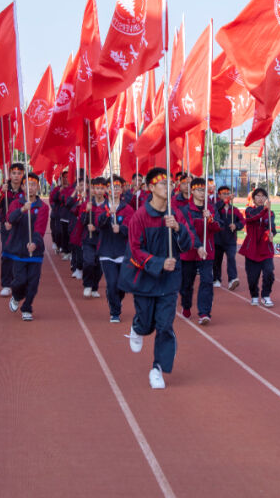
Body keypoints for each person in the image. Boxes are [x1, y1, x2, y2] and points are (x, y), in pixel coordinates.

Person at [120, 167, 193, 390]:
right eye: (163, 184)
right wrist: (159, 263)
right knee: (146, 323)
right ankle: (137, 328)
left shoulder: (175, 214)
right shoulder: (140, 216)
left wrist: (178, 228)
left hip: (169, 282)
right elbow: (135, 250)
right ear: (151, 188)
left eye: (170, 184)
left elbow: (188, 243)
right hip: (146, 279)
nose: (168, 188)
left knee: (164, 326)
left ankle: (157, 368)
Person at [4, 172, 49, 321]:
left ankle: (27, 307)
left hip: (35, 251)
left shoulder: (43, 206)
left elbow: (40, 228)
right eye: (27, 184)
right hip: (18, 250)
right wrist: (22, 209)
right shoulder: (16, 203)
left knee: (33, 283)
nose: (30, 187)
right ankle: (16, 296)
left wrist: (35, 243)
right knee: (19, 280)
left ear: (38, 187)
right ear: (23, 186)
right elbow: (10, 218)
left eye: (34, 184)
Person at [179, 177, 217, 325]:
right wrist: (198, 246)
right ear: (193, 191)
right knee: (186, 283)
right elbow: (189, 230)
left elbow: (218, 227)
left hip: (207, 252)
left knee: (207, 281)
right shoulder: (186, 210)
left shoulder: (211, 208)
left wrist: (211, 220)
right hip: (189, 252)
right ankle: (186, 306)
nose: (203, 193)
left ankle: (204, 312)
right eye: (200, 190)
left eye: (205, 190)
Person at [98, 177, 134, 323]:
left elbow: (132, 228)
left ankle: (114, 298)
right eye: (112, 187)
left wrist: (122, 229)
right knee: (112, 282)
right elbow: (98, 222)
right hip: (106, 252)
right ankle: (115, 311)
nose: (115, 190)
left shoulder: (128, 208)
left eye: (118, 187)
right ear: (107, 190)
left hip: (122, 252)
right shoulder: (102, 207)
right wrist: (108, 214)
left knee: (122, 284)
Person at [0, 162, 26, 296]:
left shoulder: (25, 190)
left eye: (19, 173)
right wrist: (1, 193)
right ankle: (6, 284)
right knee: (7, 253)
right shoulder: (4, 188)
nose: (16, 176)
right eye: (14, 173)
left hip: (21, 226)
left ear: (23, 175)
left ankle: (18, 281)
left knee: (20, 254)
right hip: (6, 225)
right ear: (10, 174)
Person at [240, 187, 276, 307]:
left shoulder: (270, 213)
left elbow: (273, 228)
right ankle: (254, 294)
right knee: (252, 276)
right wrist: (264, 208)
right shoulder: (249, 210)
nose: (261, 198)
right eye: (258, 196)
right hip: (252, 248)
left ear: (267, 198)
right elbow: (252, 218)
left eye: (263, 196)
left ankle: (266, 295)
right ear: (253, 198)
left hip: (266, 247)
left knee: (269, 272)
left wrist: (272, 233)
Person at [212, 185, 241, 291]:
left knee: (231, 258)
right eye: (224, 194)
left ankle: (232, 279)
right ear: (219, 195)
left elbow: (242, 221)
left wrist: (236, 226)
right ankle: (216, 279)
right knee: (217, 260)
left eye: (228, 193)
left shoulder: (235, 210)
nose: (226, 195)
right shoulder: (216, 207)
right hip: (218, 239)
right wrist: (226, 200)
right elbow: (215, 213)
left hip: (231, 240)